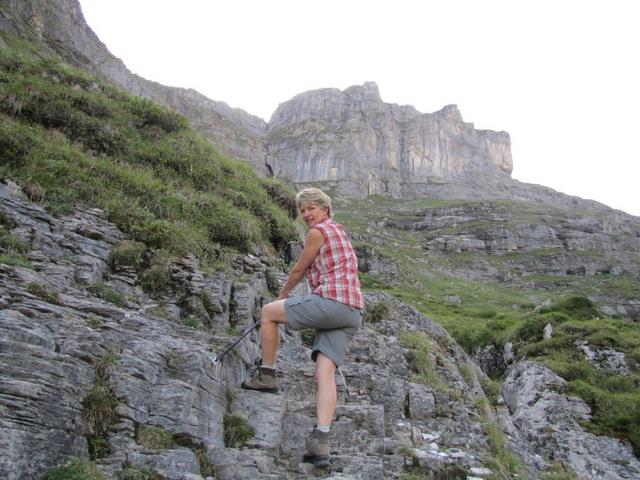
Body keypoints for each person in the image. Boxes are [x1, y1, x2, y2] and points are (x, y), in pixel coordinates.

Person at [241, 187, 364, 467]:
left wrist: (282, 296)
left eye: (311, 208)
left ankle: (267, 375)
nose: (306, 214)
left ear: (325, 209)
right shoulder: (340, 231)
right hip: (352, 311)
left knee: (268, 313)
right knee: (325, 372)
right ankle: (321, 441)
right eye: (302, 210)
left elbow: (299, 269)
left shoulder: (318, 232)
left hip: (332, 302)